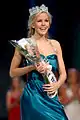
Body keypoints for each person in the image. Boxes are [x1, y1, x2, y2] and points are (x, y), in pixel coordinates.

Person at [9, 4, 68, 120]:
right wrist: (32, 68)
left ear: (50, 23)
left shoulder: (55, 44)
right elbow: (13, 72)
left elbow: (63, 73)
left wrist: (57, 85)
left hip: (51, 95)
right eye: (39, 21)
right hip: (33, 95)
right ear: (32, 24)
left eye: (46, 21)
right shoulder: (25, 44)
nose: (43, 24)